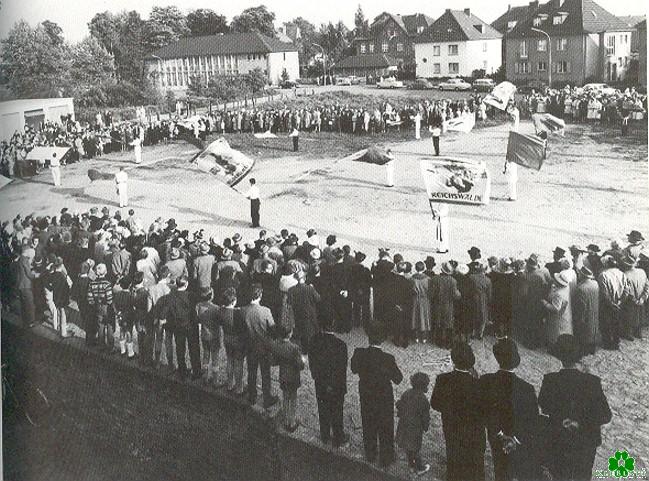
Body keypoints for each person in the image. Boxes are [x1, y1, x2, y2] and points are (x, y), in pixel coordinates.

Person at [538, 334, 612, 481]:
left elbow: (544, 407)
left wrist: (562, 419)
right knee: (582, 476)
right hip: (585, 440)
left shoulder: (550, 380)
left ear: (559, 357)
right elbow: (605, 415)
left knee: (559, 475)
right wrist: (580, 423)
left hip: (558, 437)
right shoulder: (592, 382)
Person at [480, 338, 541, 481]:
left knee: (500, 468)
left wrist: (500, 434)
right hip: (518, 439)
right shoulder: (527, 388)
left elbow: (484, 411)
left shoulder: (486, 381)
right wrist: (515, 439)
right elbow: (532, 420)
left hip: (495, 435)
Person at [430, 342, 485, 481]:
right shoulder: (479, 384)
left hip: (451, 426)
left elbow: (435, 404)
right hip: (474, 430)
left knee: (453, 455)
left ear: (453, 359)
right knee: (474, 461)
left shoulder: (443, 379)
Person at [351, 324, 403, 467]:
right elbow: (399, 379)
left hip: (366, 395)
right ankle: (386, 456)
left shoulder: (359, 353)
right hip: (384, 398)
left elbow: (353, 369)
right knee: (386, 426)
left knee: (368, 423)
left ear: (369, 337)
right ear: (383, 339)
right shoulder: (388, 358)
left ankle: (370, 453)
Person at [308, 316, 349, 448]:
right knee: (337, 411)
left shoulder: (314, 341)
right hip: (336, 384)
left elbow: (312, 362)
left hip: (320, 382)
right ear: (333, 324)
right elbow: (342, 368)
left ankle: (325, 435)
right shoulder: (341, 345)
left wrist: (316, 376)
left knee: (322, 408)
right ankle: (338, 436)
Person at [243, 284, 279, 409]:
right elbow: (273, 329)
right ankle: (267, 398)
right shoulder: (265, 311)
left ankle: (252, 396)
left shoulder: (243, 310)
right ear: (260, 296)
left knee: (251, 371)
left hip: (250, 345)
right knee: (265, 373)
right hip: (264, 347)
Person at [396, 372, 431, 476]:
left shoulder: (406, 393)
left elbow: (400, 405)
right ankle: (418, 467)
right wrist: (426, 426)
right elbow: (425, 417)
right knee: (415, 449)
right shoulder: (423, 400)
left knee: (408, 447)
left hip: (404, 425)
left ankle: (411, 464)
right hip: (415, 429)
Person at [272, 325, 305, 432]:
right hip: (293, 377)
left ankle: (286, 420)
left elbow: (275, 361)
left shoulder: (278, 346)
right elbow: (300, 365)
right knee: (293, 398)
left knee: (285, 397)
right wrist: (303, 361)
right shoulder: (294, 348)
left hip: (283, 375)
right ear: (290, 334)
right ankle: (292, 421)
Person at [217, 287, 247, 394]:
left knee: (229, 360)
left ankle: (230, 383)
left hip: (226, 337)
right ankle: (239, 387)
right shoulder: (238, 313)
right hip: (237, 339)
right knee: (238, 363)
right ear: (234, 301)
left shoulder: (221, 311)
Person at [287, 269, 321, 352]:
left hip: (298, 314)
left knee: (301, 331)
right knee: (311, 332)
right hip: (310, 314)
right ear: (305, 278)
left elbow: (289, 302)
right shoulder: (310, 288)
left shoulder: (291, 290)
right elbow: (318, 299)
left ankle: (304, 348)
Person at [430, 262, 460, 347]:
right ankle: (448, 341)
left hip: (438, 304)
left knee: (438, 322)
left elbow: (432, 293)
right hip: (448, 305)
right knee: (448, 323)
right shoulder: (453, 281)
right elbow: (456, 295)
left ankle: (439, 341)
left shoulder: (435, 279)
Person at [87, 263, 114, 351]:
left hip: (97, 306)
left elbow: (90, 298)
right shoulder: (107, 284)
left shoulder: (92, 283)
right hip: (106, 307)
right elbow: (110, 299)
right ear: (105, 272)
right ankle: (110, 346)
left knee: (100, 326)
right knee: (109, 325)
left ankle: (101, 345)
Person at [573, 266, 600, 355]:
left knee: (584, 332)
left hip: (585, 314)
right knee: (593, 330)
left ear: (582, 275)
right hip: (594, 311)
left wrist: (579, 318)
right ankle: (592, 348)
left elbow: (581, 307)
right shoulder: (595, 284)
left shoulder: (581, 288)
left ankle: (584, 350)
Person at [542, 270, 573, 346]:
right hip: (565, 312)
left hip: (558, 316)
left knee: (557, 330)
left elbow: (555, 309)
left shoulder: (559, 294)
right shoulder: (566, 288)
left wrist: (545, 303)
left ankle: (555, 344)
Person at [410, 261, 432, 343]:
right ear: (424, 268)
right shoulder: (428, 279)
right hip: (424, 299)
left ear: (416, 268)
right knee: (424, 317)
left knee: (415, 317)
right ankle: (424, 337)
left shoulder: (412, 278)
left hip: (415, 299)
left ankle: (416, 337)